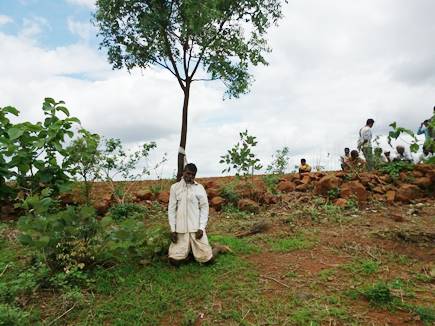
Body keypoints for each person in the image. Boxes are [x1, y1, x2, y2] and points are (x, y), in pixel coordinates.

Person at [168, 163, 228, 266]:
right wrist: (173, 230)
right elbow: (171, 210)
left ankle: (216, 249)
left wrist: (201, 228)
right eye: (188, 173)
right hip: (180, 230)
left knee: (208, 261)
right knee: (174, 261)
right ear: (183, 172)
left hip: (196, 230)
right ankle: (190, 253)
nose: (190, 176)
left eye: (193, 174)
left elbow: (205, 208)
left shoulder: (199, 188)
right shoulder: (175, 188)